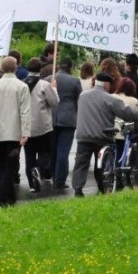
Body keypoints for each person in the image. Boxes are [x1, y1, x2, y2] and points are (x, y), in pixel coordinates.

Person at [71, 73, 138, 196]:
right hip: (101, 136)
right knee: (101, 164)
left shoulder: (82, 96)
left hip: (83, 136)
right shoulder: (109, 98)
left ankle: (78, 190)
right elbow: (126, 112)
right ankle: (103, 188)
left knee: (81, 164)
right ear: (106, 84)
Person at [0, 56, 32, 207]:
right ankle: (2, 196)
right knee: (11, 165)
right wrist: (25, 132)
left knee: (2, 163)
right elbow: (25, 111)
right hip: (15, 131)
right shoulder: (22, 87)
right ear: (16, 67)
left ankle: (9, 196)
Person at [23, 59, 58, 192]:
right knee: (45, 153)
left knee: (29, 156)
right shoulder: (44, 85)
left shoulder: (22, 84)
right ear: (40, 70)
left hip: (26, 126)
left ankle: (32, 185)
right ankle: (39, 168)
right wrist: (54, 89)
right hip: (43, 126)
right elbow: (54, 102)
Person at [48, 59, 82, 191]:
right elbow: (79, 96)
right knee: (63, 150)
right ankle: (60, 179)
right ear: (70, 67)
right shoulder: (74, 81)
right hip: (68, 117)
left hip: (51, 116)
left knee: (53, 149)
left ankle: (52, 174)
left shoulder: (48, 79)